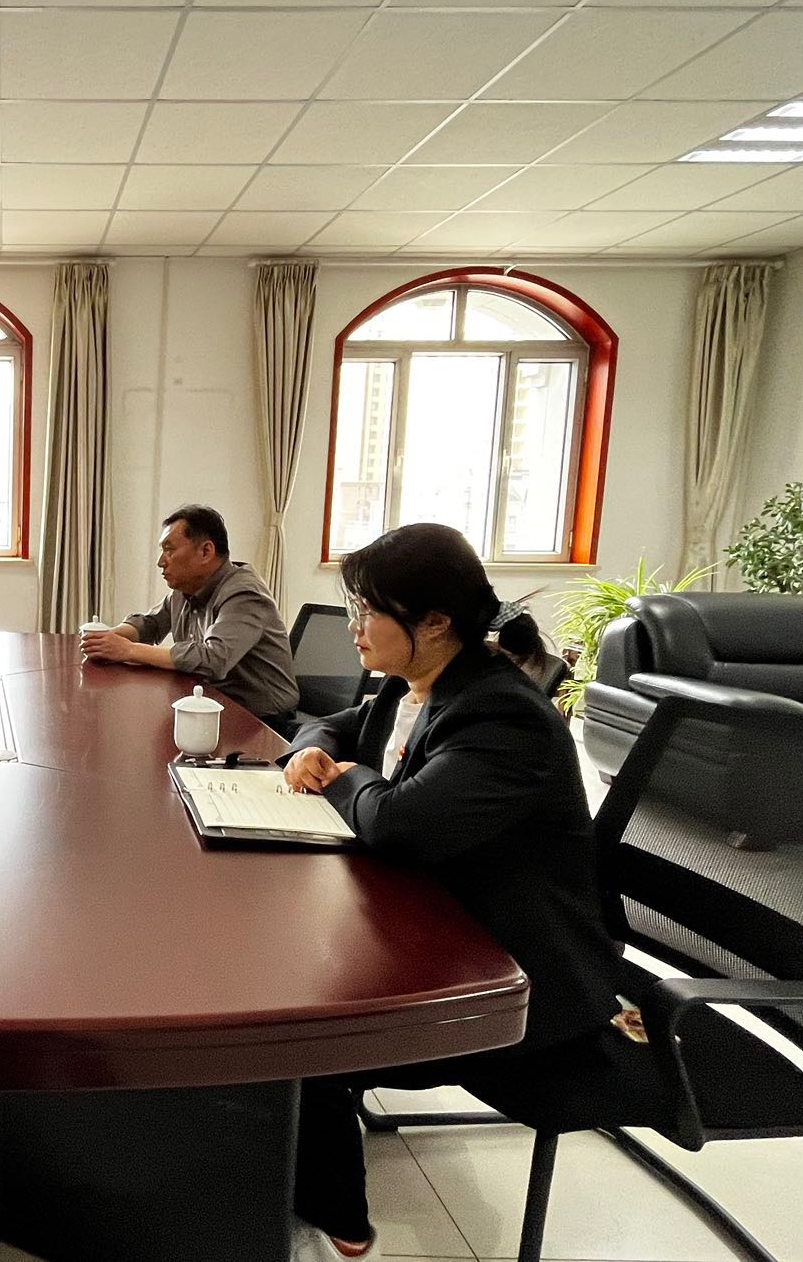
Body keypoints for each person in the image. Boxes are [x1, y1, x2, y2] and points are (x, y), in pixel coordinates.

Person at [278, 523, 618, 1262]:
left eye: (369, 610)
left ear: (434, 623)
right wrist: (312, 749)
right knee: (277, 971)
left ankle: (336, 1224)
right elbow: (337, 724)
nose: (355, 626)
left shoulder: (501, 715)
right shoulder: (417, 686)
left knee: (292, 1026)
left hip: (514, 980)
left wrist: (345, 780)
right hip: (442, 924)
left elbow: (400, 825)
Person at [81, 504, 299, 728]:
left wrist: (127, 650)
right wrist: (106, 638)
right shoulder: (186, 589)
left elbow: (214, 659)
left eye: (169, 550)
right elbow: (150, 623)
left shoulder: (244, 593)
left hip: (262, 720)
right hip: (210, 703)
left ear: (205, 552)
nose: (161, 562)